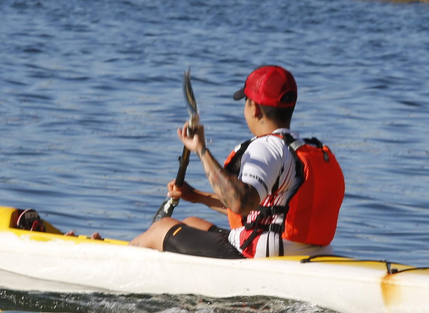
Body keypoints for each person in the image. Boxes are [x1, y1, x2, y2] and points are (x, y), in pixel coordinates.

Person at [131, 65, 345, 260]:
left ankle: (113, 257)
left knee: (161, 227)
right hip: (312, 253)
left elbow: (240, 203)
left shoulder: (266, 147)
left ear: (255, 109)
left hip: (261, 255)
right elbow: (259, 208)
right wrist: (196, 196)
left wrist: (201, 150)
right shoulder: (305, 150)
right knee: (191, 222)